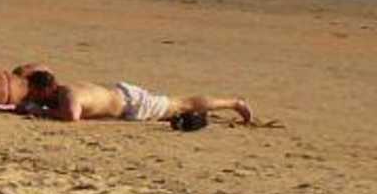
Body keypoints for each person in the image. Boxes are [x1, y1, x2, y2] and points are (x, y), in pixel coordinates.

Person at [21, 70, 252, 126]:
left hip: (133, 104)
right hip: (124, 97)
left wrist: (40, 112)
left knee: (183, 104)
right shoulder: (65, 89)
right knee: (178, 109)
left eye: (34, 92)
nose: (32, 95)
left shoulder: (69, 95)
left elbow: (72, 116)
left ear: (45, 89)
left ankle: (234, 103)